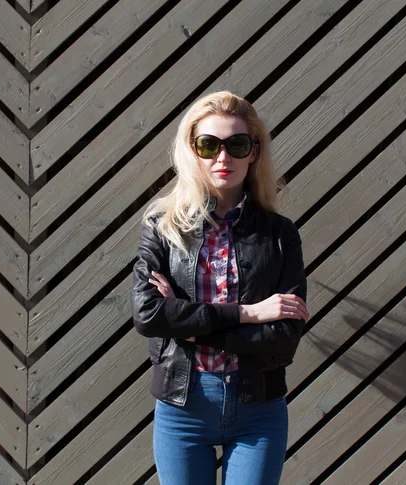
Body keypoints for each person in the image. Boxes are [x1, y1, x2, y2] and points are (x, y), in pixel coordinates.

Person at [131, 91, 308, 485]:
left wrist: (189, 324)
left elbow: (283, 338)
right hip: (183, 407)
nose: (222, 158)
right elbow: (149, 315)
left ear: (253, 152)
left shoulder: (280, 235)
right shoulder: (163, 226)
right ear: (192, 150)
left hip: (258, 410)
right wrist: (250, 313)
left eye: (236, 145)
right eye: (208, 145)